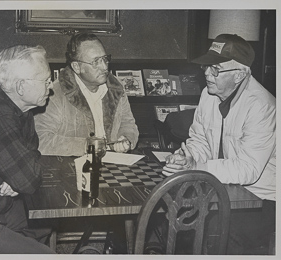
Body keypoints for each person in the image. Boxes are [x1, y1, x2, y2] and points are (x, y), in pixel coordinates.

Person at [162, 34, 276, 254]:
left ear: (240, 74)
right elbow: (200, 139)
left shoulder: (262, 106)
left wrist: (197, 167)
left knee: (220, 230)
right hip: (223, 188)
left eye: (215, 69)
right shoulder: (209, 94)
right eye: (206, 66)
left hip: (263, 198)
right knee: (175, 214)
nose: (206, 74)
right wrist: (188, 157)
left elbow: (247, 170)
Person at [0, 45, 55, 254]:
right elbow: (29, 177)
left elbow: (33, 151)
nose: (51, 86)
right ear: (21, 86)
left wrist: (15, 178)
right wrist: (19, 177)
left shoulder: (22, 109)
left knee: (47, 221)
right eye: (45, 80)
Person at [34, 33, 139, 156]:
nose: (104, 66)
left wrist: (126, 139)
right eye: (95, 62)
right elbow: (41, 139)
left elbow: (128, 124)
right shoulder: (54, 94)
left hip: (114, 165)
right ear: (77, 67)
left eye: (105, 59)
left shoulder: (116, 89)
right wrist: (87, 145)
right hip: (72, 167)